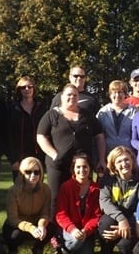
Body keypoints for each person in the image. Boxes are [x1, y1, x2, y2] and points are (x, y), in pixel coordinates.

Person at [37, 84, 106, 221]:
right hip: (58, 164)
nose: (72, 97)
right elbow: (40, 136)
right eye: (68, 94)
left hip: (82, 167)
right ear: (61, 97)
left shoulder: (87, 115)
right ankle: (54, 231)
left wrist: (102, 159)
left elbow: (100, 136)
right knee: (56, 197)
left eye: (75, 95)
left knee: (84, 196)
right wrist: (54, 154)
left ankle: (83, 226)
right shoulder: (52, 115)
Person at [97, 146, 139, 254]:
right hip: (115, 219)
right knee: (105, 224)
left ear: (133, 161)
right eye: (119, 161)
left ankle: (124, 249)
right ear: (113, 165)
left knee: (127, 250)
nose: (124, 164)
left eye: (127, 160)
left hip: (134, 222)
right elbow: (104, 202)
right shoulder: (107, 179)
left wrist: (124, 226)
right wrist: (121, 219)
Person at [2, 157, 53, 254]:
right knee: (14, 235)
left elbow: (45, 213)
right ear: (22, 173)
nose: (33, 175)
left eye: (36, 172)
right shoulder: (13, 191)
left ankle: (38, 249)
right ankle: (12, 251)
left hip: (36, 223)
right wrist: (30, 228)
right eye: (28, 172)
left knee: (51, 228)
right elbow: (12, 218)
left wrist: (41, 225)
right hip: (17, 225)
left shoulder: (46, 189)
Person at [55, 153, 101, 254]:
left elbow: (97, 216)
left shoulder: (96, 189)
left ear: (90, 168)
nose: (82, 170)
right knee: (75, 240)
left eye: (85, 166)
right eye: (78, 167)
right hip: (69, 230)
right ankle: (63, 253)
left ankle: (67, 251)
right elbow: (61, 214)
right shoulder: (66, 187)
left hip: (86, 233)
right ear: (73, 169)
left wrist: (86, 230)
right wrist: (72, 229)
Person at [8, 76, 46, 181]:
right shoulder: (12, 109)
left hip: (38, 155)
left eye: (30, 87)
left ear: (34, 89)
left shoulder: (42, 108)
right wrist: (13, 159)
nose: (27, 89)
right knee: (20, 190)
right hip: (19, 157)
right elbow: (8, 135)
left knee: (37, 188)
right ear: (18, 90)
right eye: (23, 87)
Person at [96, 80, 137, 154]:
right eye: (114, 92)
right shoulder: (103, 112)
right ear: (110, 94)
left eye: (120, 92)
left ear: (125, 94)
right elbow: (98, 135)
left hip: (129, 154)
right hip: (109, 155)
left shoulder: (134, 111)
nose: (117, 95)